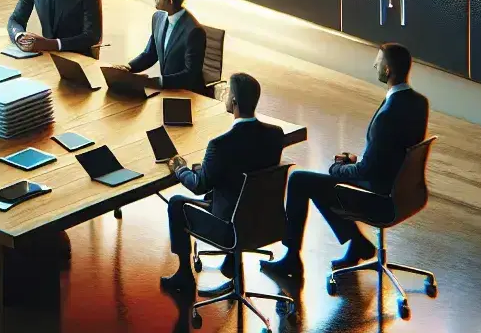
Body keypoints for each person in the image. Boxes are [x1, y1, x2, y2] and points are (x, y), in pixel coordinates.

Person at [263, 43, 429, 282]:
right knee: (323, 185)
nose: (375, 65)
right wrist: (357, 160)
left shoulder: (387, 115)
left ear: (388, 70)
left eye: (379, 61)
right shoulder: (418, 103)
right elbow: (394, 152)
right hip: (403, 191)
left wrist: (340, 168)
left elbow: (367, 170)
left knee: (301, 180)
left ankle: (292, 259)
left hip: (380, 198)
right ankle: (357, 243)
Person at [158, 73, 285, 297]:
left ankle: (184, 276)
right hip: (263, 221)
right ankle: (230, 265)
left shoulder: (220, 145)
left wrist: (181, 169)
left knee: (177, 203)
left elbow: (199, 186)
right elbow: (246, 170)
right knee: (225, 194)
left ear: (234, 102)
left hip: (230, 229)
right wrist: (206, 169)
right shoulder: (275, 135)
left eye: (228, 93)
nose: (225, 95)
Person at [113, 0, 207, 92]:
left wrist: (158, 81)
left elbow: (190, 75)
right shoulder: (158, 18)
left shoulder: (194, 32)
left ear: (169, 1)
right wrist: (128, 68)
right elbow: (150, 53)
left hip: (188, 95)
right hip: (167, 91)